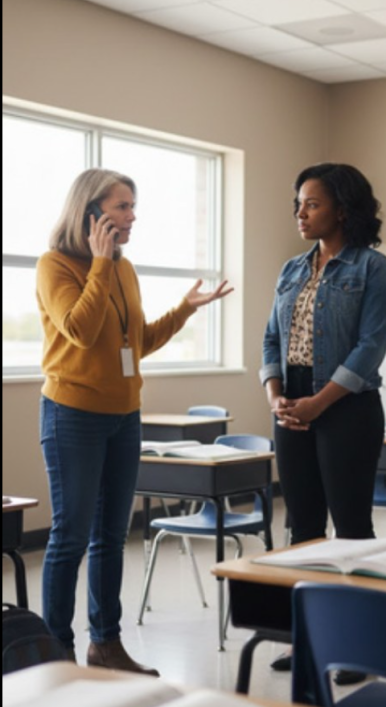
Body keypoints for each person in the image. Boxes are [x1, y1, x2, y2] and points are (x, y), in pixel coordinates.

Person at [36, 168, 233, 675]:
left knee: (111, 536)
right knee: (70, 537)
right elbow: (80, 331)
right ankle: (56, 654)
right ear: (90, 214)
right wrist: (101, 263)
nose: (132, 216)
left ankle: (106, 644)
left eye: (132, 206)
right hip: (72, 414)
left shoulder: (125, 270)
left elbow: (136, 343)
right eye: (122, 207)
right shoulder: (55, 265)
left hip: (124, 415)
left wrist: (184, 310)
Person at [260, 163, 386, 679]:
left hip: (347, 407)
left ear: (342, 210)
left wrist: (320, 402)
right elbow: (271, 339)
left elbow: (370, 347)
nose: (300, 213)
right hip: (292, 406)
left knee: (352, 527)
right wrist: (276, 396)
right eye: (298, 204)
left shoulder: (372, 268)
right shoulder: (291, 269)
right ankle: (309, 640)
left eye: (312, 204)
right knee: (303, 528)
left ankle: (358, 646)